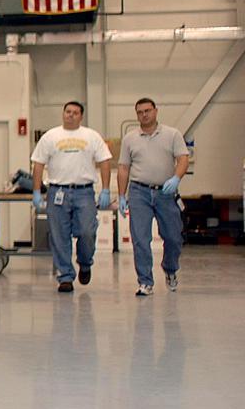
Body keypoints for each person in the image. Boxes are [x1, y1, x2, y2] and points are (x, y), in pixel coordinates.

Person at [31, 101, 113, 293]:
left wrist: (106, 189)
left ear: (81, 116)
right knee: (59, 235)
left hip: (84, 192)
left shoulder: (91, 136)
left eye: (75, 113)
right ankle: (65, 276)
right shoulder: (51, 136)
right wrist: (36, 191)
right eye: (68, 112)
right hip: (57, 191)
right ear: (63, 114)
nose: (70, 115)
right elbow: (38, 164)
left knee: (87, 231)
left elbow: (105, 161)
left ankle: (85, 263)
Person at [117, 98, 189, 297]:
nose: (144, 115)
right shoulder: (130, 139)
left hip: (166, 192)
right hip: (139, 192)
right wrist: (121, 195)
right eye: (139, 112)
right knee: (140, 239)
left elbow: (183, 158)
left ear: (156, 111)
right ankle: (145, 282)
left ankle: (170, 268)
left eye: (147, 110)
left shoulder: (172, 134)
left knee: (173, 237)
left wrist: (176, 177)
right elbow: (123, 167)